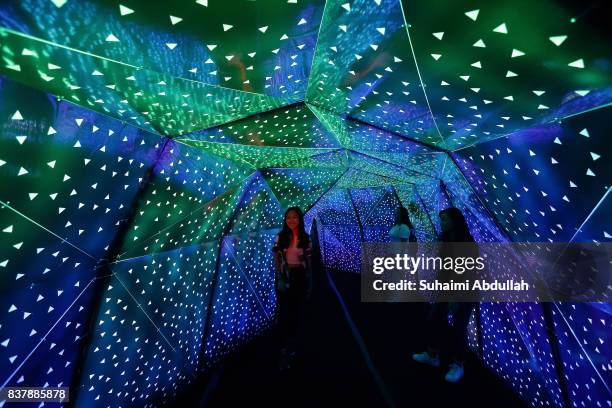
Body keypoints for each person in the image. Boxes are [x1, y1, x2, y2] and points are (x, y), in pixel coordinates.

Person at [412, 207, 478, 383]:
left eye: (446, 219)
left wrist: (455, 297)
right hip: (447, 288)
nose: (442, 223)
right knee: (435, 319)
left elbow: (465, 272)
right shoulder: (446, 239)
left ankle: (458, 364)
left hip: (465, 291)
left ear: (456, 220)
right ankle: (433, 354)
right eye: (441, 219)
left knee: (459, 327)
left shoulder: (465, 241)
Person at [272, 206, 312, 369]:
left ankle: (293, 346)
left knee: (297, 312)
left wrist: (310, 280)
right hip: (285, 276)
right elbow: (276, 259)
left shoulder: (305, 237)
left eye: (294, 217)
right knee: (284, 313)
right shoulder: (280, 237)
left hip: (300, 276)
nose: (291, 220)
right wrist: (280, 277)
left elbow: (308, 262)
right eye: (288, 217)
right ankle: (283, 348)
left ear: (300, 219)